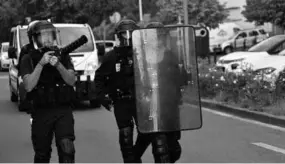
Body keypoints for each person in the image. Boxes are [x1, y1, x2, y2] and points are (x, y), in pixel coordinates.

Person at [94, 19, 173, 163]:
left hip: (144, 101)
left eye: (131, 34)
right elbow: (99, 79)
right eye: (124, 34)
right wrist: (103, 98)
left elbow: (159, 72)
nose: (128, 37)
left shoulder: (145, 54)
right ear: (119, 36)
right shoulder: (111, 57)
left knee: (157, 137)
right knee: (126, 137)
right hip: (122, 102)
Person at [19, 20, 76, 163]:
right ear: (35, 39)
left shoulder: (63, 56)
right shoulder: (28, 59)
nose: (48, 40)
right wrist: (41, 64)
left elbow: (71, 80)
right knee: (42, 156)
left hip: (63, 110)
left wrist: (58, 65)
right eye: (44, 36)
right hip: (41, 112)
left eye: (50, 35)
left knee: (67, 149)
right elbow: (28, 86)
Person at [133, 22, 183, 163]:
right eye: (155, 37)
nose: (158, 40)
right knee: (158, 148)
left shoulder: (171, 56)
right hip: (150, 108)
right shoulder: (140, 59)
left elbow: (180, 79)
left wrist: (184, 73)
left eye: (160, 37)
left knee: (173, 150)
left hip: (169, 107)